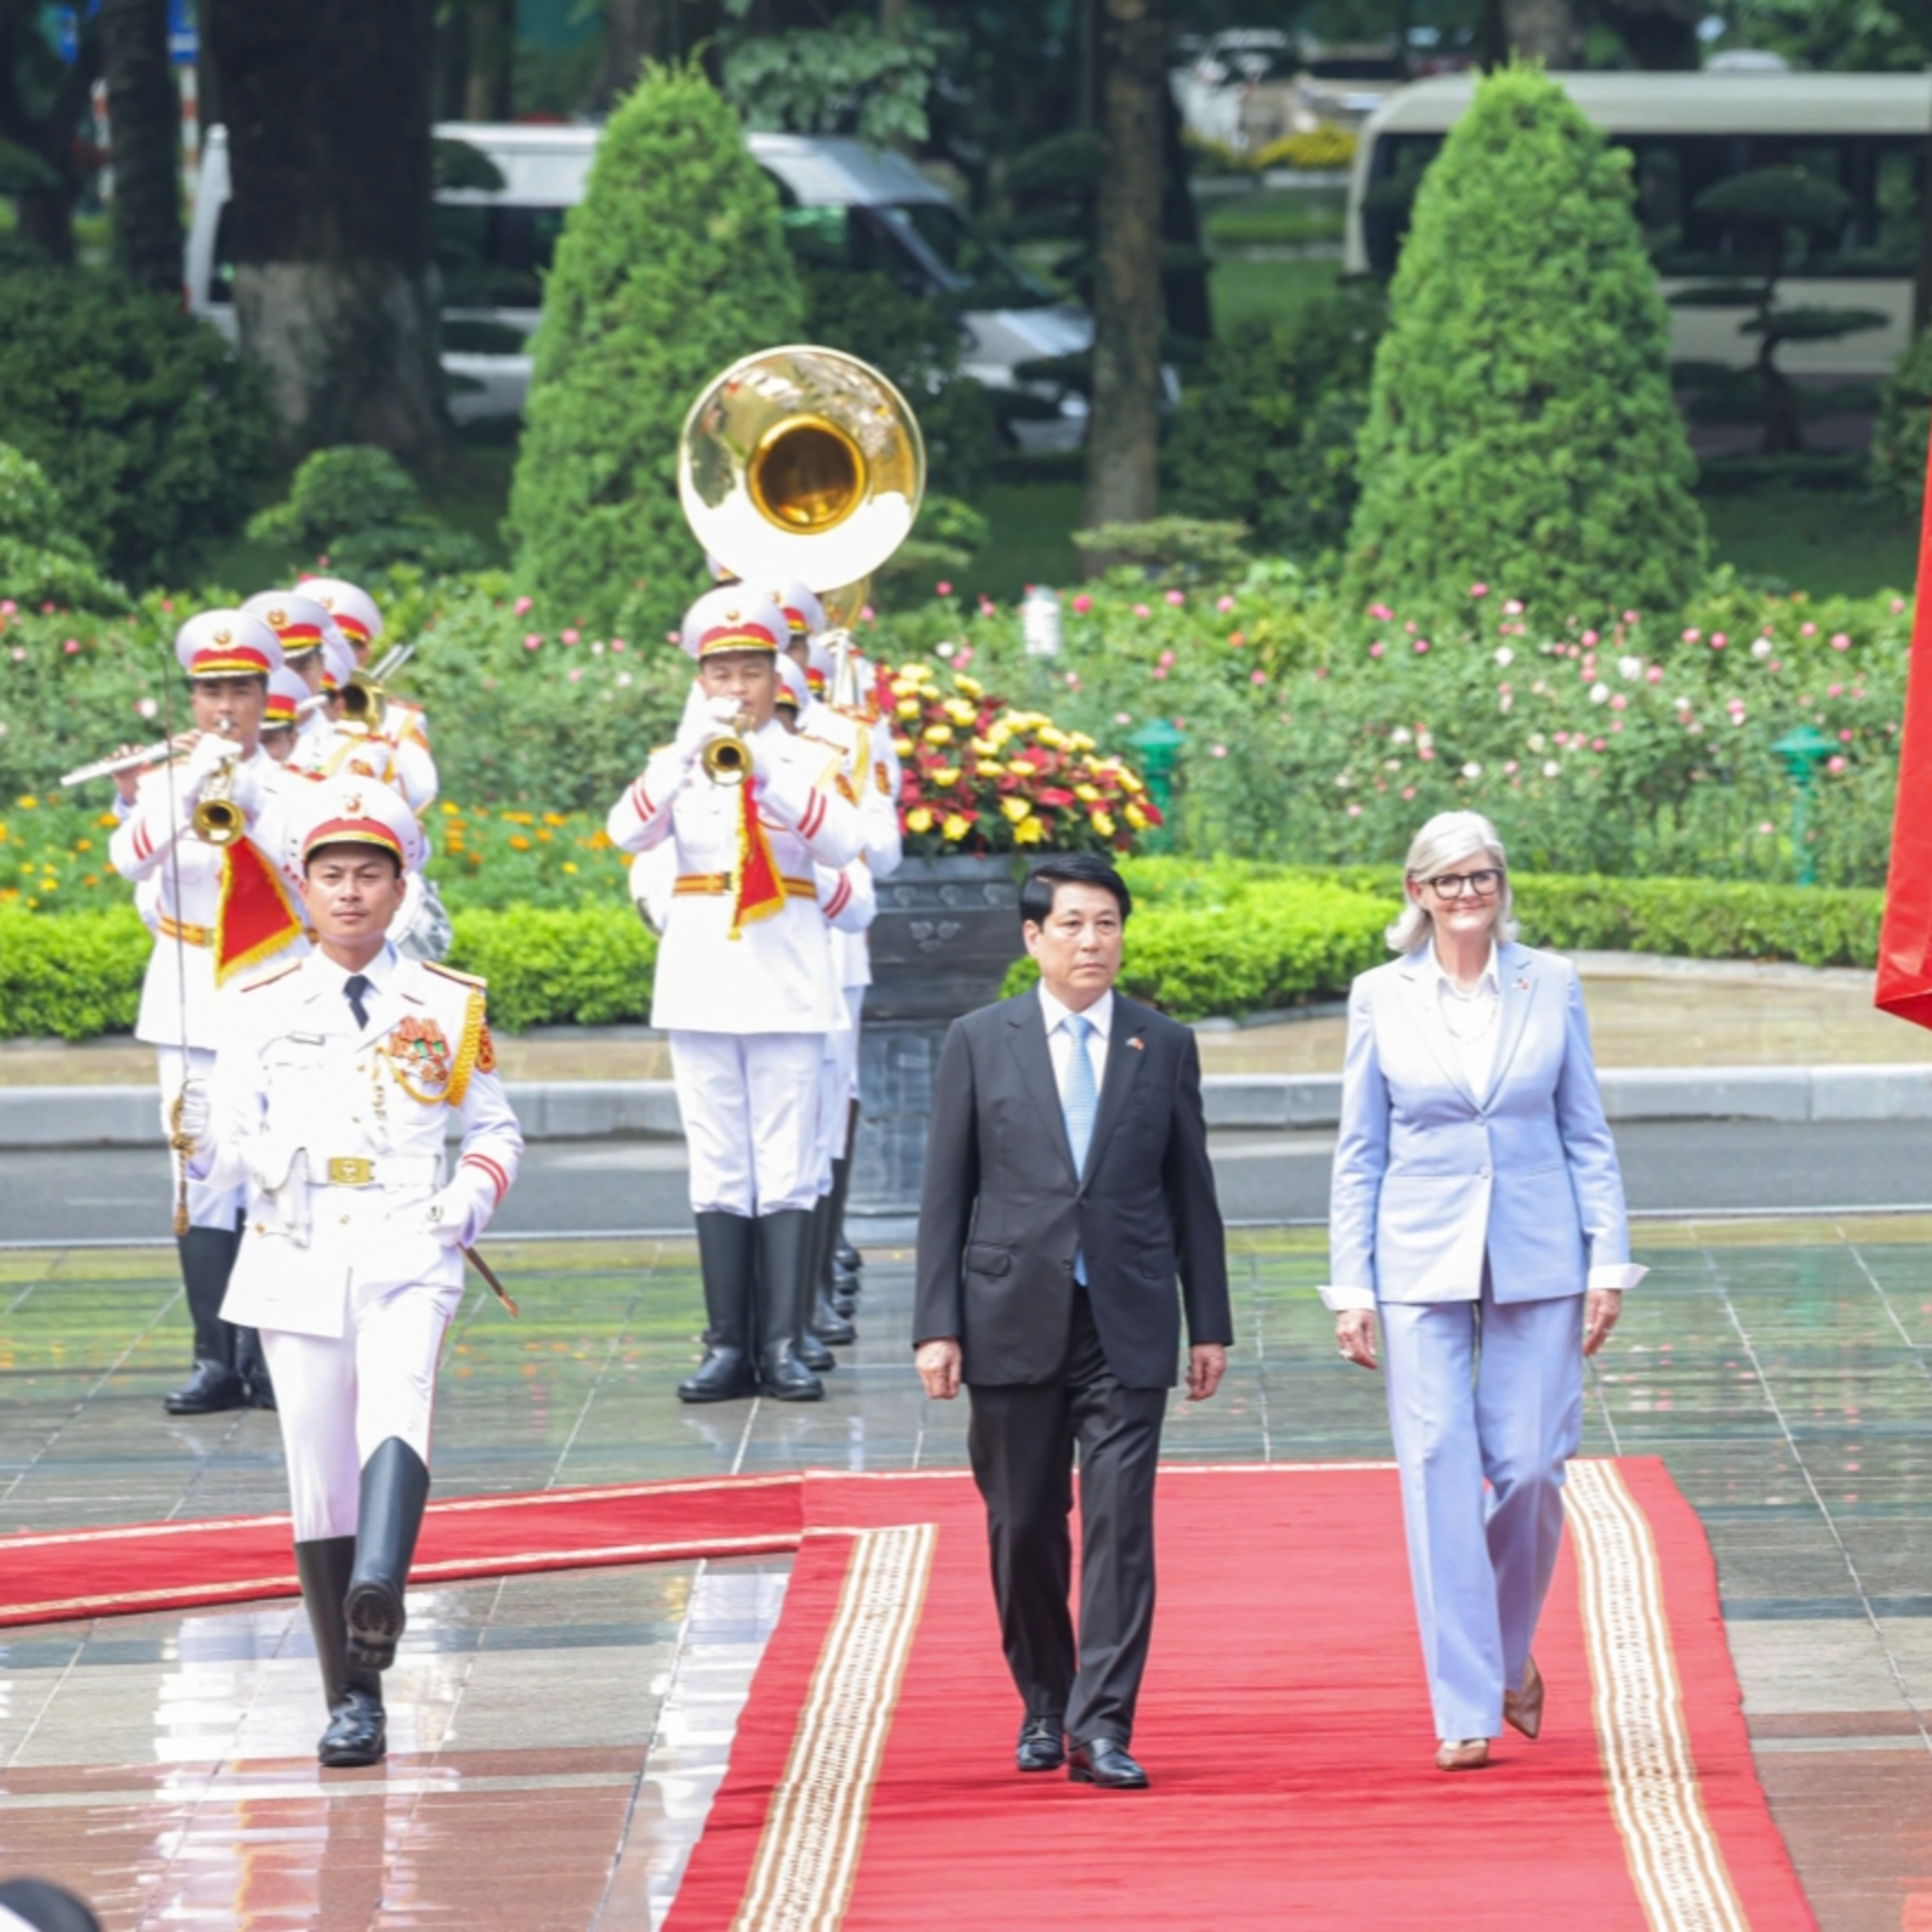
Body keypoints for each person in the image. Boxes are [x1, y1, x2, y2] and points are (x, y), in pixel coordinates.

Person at [174, 776, 522, 1768]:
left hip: (410, 1238)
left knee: (398, 1410)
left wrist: (467, 1200)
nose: (351, 892)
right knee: (318, 1472)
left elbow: (495, 1131)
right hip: (296, 1244)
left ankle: (379, 1585)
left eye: (371, 874)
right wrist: (195, 1142)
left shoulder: (447, 1002)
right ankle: (353, 1700)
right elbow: (222, 1156)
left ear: (401, 887)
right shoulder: (254, 1006)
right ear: (303, 887)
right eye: (332, 875)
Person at [1325, 810, 1644, 1774]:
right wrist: (1352, 1285)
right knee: (1436, 1466)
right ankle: (1464, 1706)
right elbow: (1360, 1150)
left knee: (1534, 1466)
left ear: (1501, 887)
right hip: (1416, 1256)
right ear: (1417, 891)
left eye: (1483, 877)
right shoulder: (1379, 995)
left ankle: (1504, 1653)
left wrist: (1607, 1259)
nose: (1468, 894)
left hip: (1540, 1248)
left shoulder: (1552, 981)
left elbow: (1586, 1129)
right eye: (1449, 879)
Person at [914, 853, 1231, 1790]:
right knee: (1022, 1525)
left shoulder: (1161, 1044)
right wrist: (937, 1324)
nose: (1092, 941)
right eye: (1072, 925)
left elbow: (1193, 1193)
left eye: (1107, 924)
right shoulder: (981, 1040)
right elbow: (945, 1194)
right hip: (1010, 1314)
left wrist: (1208, 1323)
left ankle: (1103, 1725)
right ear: (1034, 938)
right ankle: (1046, 1703)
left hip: (1128, 1316)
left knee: (1121, 1527)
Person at [605, 585, 864, 1404]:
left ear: (777, 676)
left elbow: (844, 843)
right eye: (721, 673)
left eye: (751, 672)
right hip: (702, 980)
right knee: (718, 1163)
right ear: (701, 680)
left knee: (785, 1164)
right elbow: (626, 831)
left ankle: (782, 1343)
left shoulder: (808, 759)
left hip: (787, 978)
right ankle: (728, 1344)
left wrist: (768, 778)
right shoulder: (676, 762)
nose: (737, 689)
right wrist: (689, 757)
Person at [108, 611, 311, 1416]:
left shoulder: (292, 786)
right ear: (192, 700)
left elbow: (306, 864)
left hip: (270, 990)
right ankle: (214, 1358)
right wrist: (186, 786)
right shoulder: (172, 780)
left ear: (265, 697)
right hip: (189, 997)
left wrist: (250, 798)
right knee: (197, 1172)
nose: (225, 707)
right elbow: (128, 859)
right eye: (210, 692)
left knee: (274, 1168)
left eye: (240, 691)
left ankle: (270, 1355)